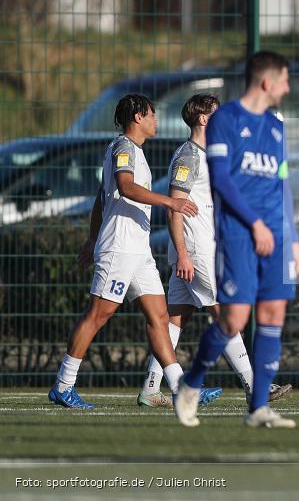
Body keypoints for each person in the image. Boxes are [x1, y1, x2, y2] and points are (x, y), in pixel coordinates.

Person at [137, 94, 292, 409]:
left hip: (204, 247)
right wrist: (183, 253)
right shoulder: (188, 156)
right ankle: (254, 385)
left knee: (175, 320)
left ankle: (151, 388)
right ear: (204, 119)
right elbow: (174, 210)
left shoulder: (214, 154)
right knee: (227, 312)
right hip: (195, 250)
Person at [174, 51, 299, 428]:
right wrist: (254, 224)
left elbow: (284, 185)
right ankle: (190, 384)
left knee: (273, 314)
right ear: (266, 81)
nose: (288, 87)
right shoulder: (225, 120)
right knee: (232, 320)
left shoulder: (276, 127)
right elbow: (223, 181)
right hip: (237, 234)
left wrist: (291, 237)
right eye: (284, 79)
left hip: (275, 235)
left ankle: (258, 407)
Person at [49, 94, 199, 409]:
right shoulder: (123, 148)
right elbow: (125, 186)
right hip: (120, 249)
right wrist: (170, 201)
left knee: (160, 316)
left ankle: (179, 389)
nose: (157, 120)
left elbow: (101, 199)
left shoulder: (136, 152)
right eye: (153, 114)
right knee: (98, 315)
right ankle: (63, 385)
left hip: (138, 251)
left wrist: (91, 238)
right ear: (138, 118)